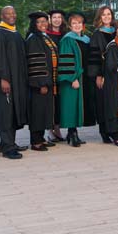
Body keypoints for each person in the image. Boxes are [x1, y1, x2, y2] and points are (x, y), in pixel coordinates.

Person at [0, 6, 28, 159]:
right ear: (1, 16)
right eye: (8, 13)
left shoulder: (14, 33)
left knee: (12, 112)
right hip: (4, 81)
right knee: (5, 113)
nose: (11, 15)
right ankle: (7, 148)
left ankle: (10, 143)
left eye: (13, 13)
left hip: (16, 81)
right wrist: (3, 78)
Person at [26, 11, 58, 152]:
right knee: (37, 112)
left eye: (45, 21)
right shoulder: (33, 39)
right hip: (40, 83)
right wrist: (42, 83)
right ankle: (36, 141)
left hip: (48, 81)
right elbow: (36, 63)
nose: (42, 24)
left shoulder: (44, 37)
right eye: (39, 22)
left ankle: (41, 137)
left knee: (44, 110)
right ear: (34, 24)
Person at [57, 12, 88, 147]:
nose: (77, 25)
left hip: (82, 77)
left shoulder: (86, 39)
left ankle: (73, 132)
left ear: (83, 25)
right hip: (72, 79)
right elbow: (65, 60)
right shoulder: (67, 40)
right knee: (71, 106)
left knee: (77, 106)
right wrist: (72, 78)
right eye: (74, 23)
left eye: (79, 23)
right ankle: (72, 133)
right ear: (70, 26)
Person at [88, 6, 116, 143]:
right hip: (104, 75)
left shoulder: (117, 31)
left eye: (108, 14)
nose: (106, 17)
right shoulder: (97, 35)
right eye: (103, 15)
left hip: (116, 74)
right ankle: (104, 132)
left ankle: (114, 129)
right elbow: (94, 57)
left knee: (114, 103)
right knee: (103, 103)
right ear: (99, 17)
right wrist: (98, 75)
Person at [46, 9, 67, 143]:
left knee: (60, 101)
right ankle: (50, 130)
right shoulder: (46, 35)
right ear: (50, 19)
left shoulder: (65, 35)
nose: (57, 19)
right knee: (51, 101)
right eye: (54, 17)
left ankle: (57, 129)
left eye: (59, 17)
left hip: (63, 72)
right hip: (50, 72)